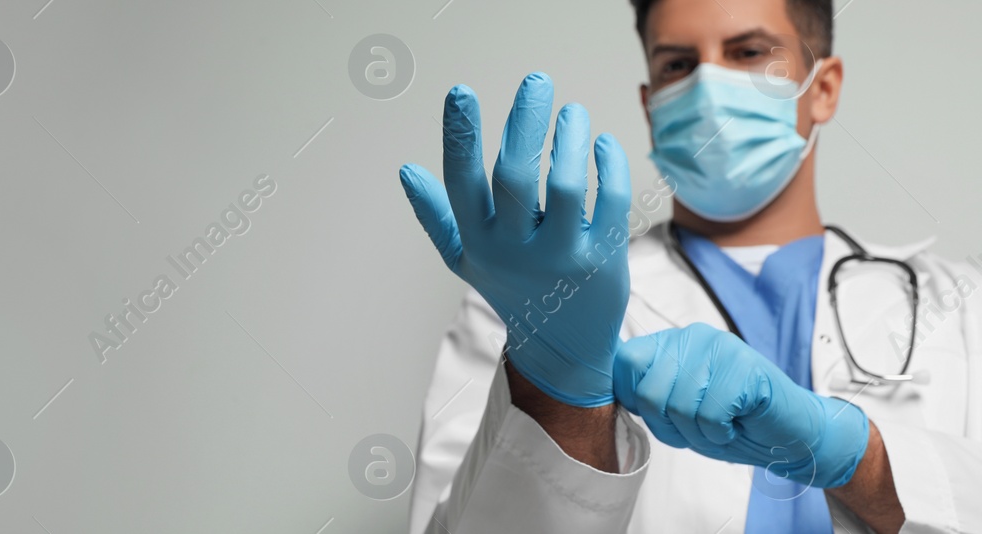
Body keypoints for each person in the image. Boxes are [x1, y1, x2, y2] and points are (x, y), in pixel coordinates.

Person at [399, 0, 982, 532]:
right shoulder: (531, 303)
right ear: (649, 105)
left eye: (749, 53)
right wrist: (555, 397)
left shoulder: (959, 304)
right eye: (678, 65)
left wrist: (862, 460)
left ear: (823, 87)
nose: (707, 85)